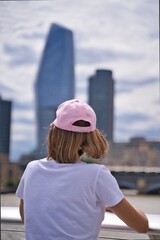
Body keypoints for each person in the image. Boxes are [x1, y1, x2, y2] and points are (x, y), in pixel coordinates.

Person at [16, 99, 149, 240]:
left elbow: (27, 217)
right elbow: (141, 226)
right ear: (91, 138)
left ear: (53, 133)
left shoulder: (32, 169)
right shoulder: (97, 175)